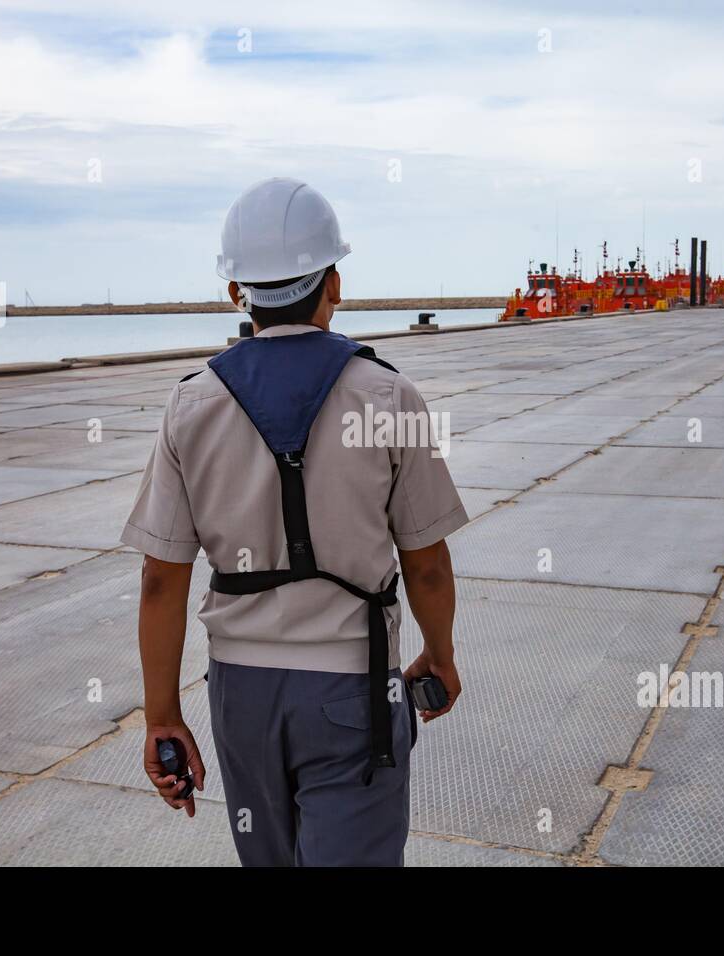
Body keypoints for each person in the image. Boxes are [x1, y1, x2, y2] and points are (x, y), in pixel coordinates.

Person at [121, 177, 467, 866]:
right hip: (352, 688)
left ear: (235, 293)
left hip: (240, 695)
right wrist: (441, 653)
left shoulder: (191, 405)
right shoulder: (388, 396)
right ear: (333, 283)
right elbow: (425, 560)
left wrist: (163, 714)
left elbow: (162, 582)